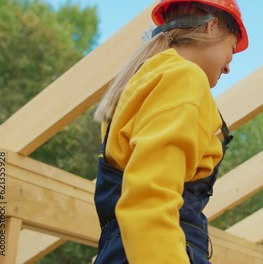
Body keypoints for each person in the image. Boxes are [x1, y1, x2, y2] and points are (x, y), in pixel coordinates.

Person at [92, 0, 248, 263]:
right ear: (212, 26)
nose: (228, 66)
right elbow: (150, 198)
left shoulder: (147, 79)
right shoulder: (184, 77)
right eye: (231, 50)